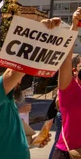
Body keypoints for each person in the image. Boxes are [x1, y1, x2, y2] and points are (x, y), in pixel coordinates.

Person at [0, 18, 60, 159]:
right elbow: (13, 73)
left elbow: (5, 140)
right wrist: (39, 34)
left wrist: (33, 141)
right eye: (20, 75)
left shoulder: (6, 102)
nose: (20, 79)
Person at [53, 9, 81, 159]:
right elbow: (65, 60)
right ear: (76, 69)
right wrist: (74, 25)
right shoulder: (70, 88)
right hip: (67, 154)